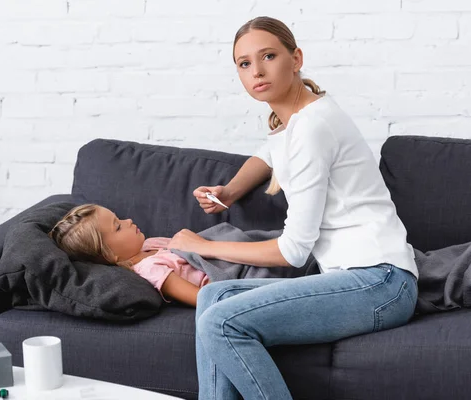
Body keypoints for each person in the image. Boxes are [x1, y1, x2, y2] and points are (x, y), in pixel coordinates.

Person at [166, 16, 419, 400]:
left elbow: (292, 250)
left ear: (296, 58)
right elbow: (270, 152)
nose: (257, 71)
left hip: (380, 282)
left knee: (220, 322)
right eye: (244, 63)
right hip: (363, 278)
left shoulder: (312, 128)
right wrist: (230, 192)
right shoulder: (304, 117)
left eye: (268, 56)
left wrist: (201, 246)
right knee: (211, 297)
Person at [48, 204, 211, 307]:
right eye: (118, 226)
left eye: (118, 217)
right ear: (110, 255)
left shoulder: (151, 243)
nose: (129, 220)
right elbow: (202, 299)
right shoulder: (150, 269)